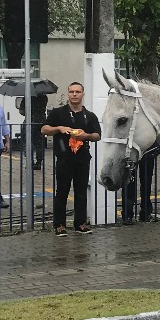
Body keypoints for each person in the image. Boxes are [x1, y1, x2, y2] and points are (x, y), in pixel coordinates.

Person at [42, 82, 102, 237]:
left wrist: (86, 136)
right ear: (68, 94)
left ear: (83, 94)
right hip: (64, 159)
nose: (74, 94)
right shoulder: (58, 113)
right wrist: (59, 129)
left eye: (78, 92)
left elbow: (97, 135)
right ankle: (59, 225)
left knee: (81, 192)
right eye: (71, 92)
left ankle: (80, 223)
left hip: (82, 159)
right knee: (62, 191)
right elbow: (44, 129)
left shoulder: (89, 116)